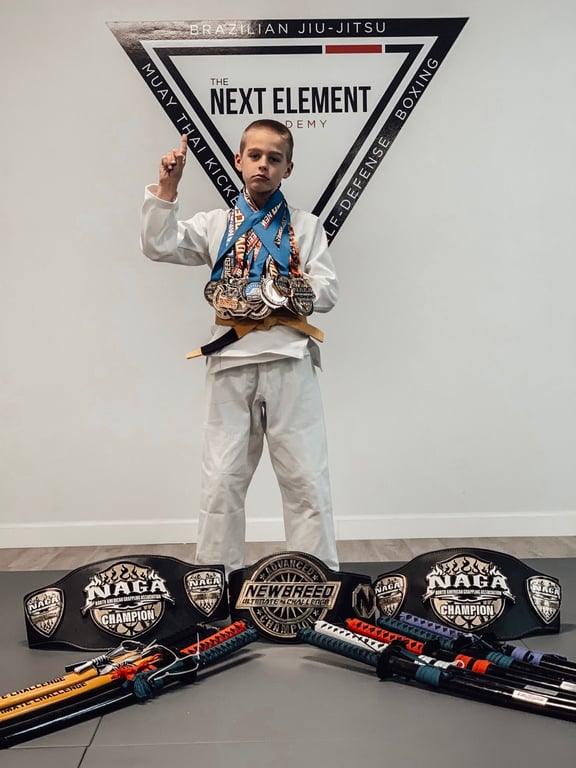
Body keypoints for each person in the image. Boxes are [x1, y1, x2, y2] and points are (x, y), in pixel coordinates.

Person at [140, 119, 339, 573]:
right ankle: (215, 583)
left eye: (274, 158)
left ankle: (317, 583)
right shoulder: (214, 224)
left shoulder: (305, 227)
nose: (263, 165)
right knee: (221, 480)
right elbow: (158, 245)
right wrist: (167, 190)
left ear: (288, 168)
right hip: (229, 362)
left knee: (306, 479)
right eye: (255, 155)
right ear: (238, 160)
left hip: (290, 359)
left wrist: (283, 290)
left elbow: (328, 292)